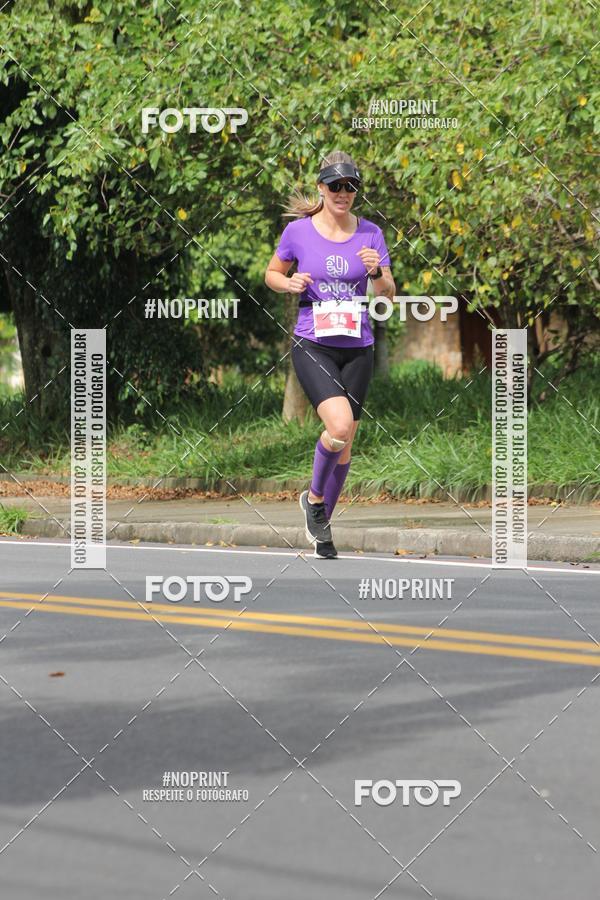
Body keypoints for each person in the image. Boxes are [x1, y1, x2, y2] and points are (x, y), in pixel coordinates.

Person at [265, 150, 395, 559]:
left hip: (358, 345)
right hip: (314, 341)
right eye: (336, 185)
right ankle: (315, 500)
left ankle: (320, 524)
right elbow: (271, 273)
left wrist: (377, 273)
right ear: (321, 188)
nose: (343, 193)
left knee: (348, 441)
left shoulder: (371, 233)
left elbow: (388, 293)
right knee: (338, 427)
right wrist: (289, 285)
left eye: (351, 186)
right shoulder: (299, 232)